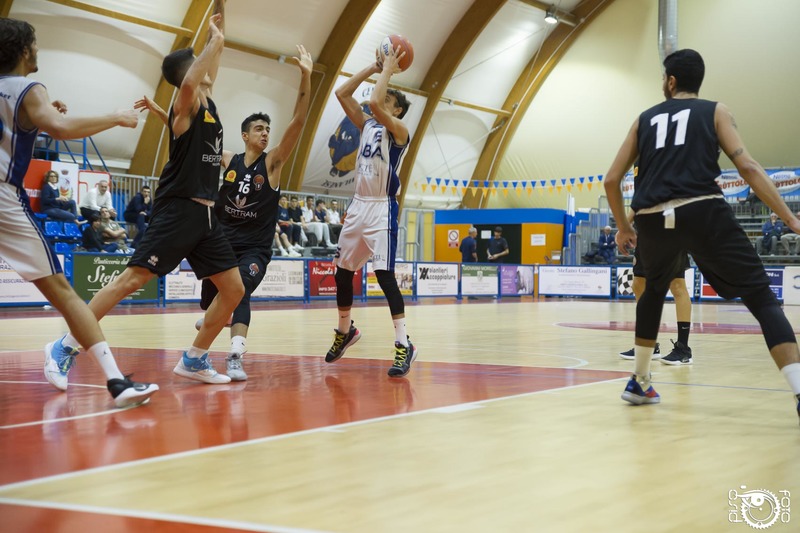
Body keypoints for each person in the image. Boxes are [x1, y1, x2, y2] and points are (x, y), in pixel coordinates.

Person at [48, 2, 245, 386]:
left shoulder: (209, 103)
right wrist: (212, 44)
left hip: (206, 216)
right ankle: (65, 346)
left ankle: (194, 358)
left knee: (234, 289)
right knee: (131, 280)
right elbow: (191, 81)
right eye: (201, 63)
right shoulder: (184, 105)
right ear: (191, 71)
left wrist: (219, 16)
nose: (210, 68)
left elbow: (214, 55)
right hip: (178, 209)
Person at [605, 49, 800, 417]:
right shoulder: (715, 111)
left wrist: (624, 227)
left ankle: (640, 382)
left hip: (652, 218)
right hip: (702, 210)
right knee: (760, 296)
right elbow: (748, 167)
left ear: (671, 81)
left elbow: (611, 180)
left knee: (653, 291)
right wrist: (789, 218)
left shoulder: (643, 119)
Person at [0, 18, 157, 407]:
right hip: (3, 199)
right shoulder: (28, 88)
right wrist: (115, 117)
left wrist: (33, 122)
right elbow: (61, 127)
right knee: (64, 293)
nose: (38, 50)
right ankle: (116, 382)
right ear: (24, 50)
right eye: (36, 43)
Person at [192, 45, 313, 380]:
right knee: (211, 303)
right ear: (245, 135)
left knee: (239, 290)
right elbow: (197, 136)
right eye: (259, 129)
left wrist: (306, 75)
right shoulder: (228, 159)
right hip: (220, 244)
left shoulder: (272, 163)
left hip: (253, 250)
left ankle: (235, 354)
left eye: (267, 129)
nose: (265, 133)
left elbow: (299, 121)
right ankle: (216, 315)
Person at [326, 46, 418, 377]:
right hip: (358, 205)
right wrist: (374, 66)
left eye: (388, 99)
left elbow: (376, 103)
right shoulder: (366, 125)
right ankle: (345, 331)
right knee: (342, 273)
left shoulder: (399, 132)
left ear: (398, 110)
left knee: (384, 276)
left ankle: (404, 344)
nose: (377, 101)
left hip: (381, 207)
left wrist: (389, 70)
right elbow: (342, 92)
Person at [619, 208, 693, 365]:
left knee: (677, 285)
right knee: (638, 284)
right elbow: (639, 201)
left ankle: (683, 348)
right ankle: (648, 344)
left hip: (672, 226)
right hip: (646, 230)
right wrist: (625, 226)